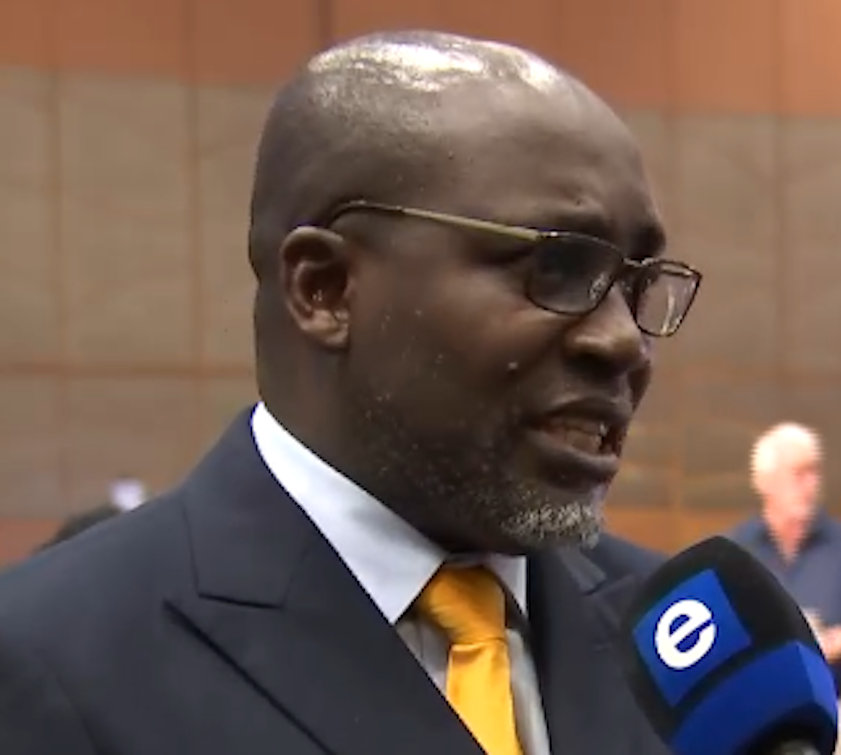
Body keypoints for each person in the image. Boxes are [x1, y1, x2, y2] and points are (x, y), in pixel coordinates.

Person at [0, 31, 704, 755]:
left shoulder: (686, 649)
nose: (623, 341)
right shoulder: (50, 660)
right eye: (557, 268)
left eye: (639, 284)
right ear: (326, 288)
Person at [729, 423, 841, 755]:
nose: (812, 485)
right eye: (799, 473)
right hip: (762, 722)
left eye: (815, 472)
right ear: (765, 482)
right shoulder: (737, 551)